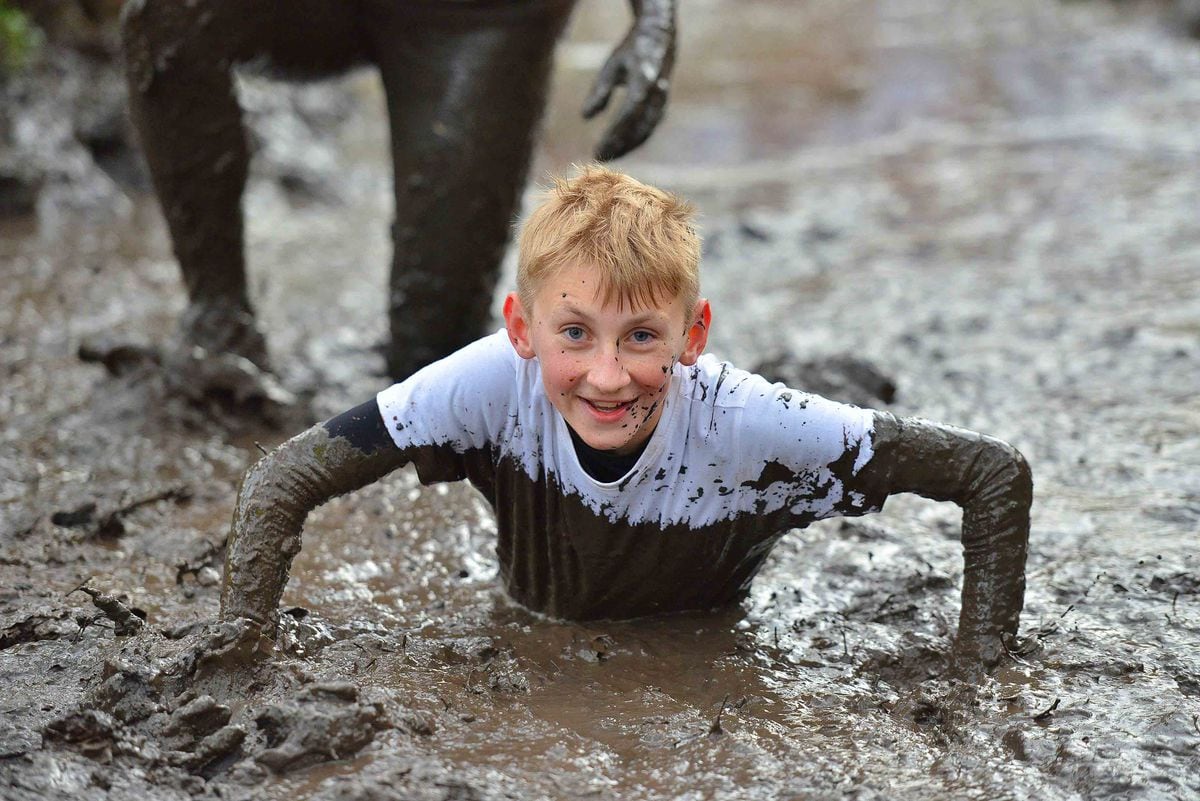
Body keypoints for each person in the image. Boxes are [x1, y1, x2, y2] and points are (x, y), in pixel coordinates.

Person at [220, 165, 1032, 675]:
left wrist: (977, 671)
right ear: (521, 327)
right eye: (574, 334)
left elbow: (992, 474)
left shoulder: (755, 421)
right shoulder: (484, 384)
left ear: (693, 333)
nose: (608, 376)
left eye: (642, 336)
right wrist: (240, 648)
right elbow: (281, 477)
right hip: (528, 612)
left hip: (705, 633)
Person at [119, 0, 677, 382]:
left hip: (476, 17)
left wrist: (654, 15)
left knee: (433, 357)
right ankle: (217, 321)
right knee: (169, 14)